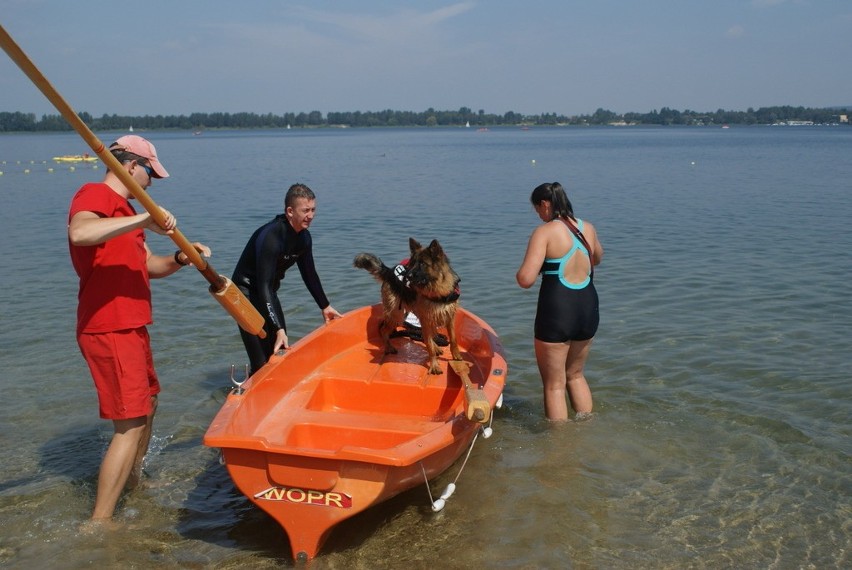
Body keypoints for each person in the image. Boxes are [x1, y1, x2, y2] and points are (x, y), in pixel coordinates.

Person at [68, 135, 211, 521]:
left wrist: (182, 257)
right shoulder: (95, 194)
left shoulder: (125, 210)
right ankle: (99, 523)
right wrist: (144, 217)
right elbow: (79, 233)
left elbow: (149, 266)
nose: (152, 182)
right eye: (150, 173)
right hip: (108, 326)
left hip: (133, 325)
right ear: (131, 166)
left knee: (148, 405)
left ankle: (132, 481)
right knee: (129, 424)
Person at [516, 182, 603, 421]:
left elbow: (526, 279)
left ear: (545, 204)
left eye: (537, 209)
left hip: (557, 311)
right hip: (587, 309)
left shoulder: (544, 232)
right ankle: (586, 430)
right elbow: (597, 258)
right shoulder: (588, 228)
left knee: (554, 385)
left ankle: (559, 447)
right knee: (575, 375)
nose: (539, 215)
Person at [232, 183, 341, 373]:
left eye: (313, 210)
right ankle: (253, 393)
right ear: (290, 211)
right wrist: (279, 328)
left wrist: (325, 306)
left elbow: (309, 274)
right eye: (305, 210)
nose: (311, 215)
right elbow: (263, 284)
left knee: (280, 351)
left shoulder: (304, 238)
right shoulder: (271, 237)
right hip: (244, 294)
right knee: (261, 361)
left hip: (268, 292)